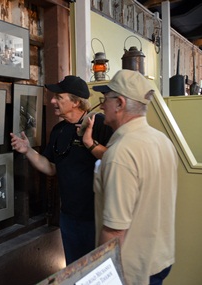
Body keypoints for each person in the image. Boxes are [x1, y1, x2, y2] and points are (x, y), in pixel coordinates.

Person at [10, 75, 113, 265]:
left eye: (59, 97)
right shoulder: (58, 130)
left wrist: (89, 143)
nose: (52, 101)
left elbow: (113, 160)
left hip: (97, 218)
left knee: (99, 270)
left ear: (75, 102)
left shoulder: (99, 124)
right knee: (75, 268)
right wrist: (28, 151)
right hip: (68, 217)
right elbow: (51, 168)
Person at [91, 69, 178, 285]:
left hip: (132, 269)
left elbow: (114, 230)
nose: (102, 106)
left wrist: (102, 274)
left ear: (119, 104)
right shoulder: (162, 141)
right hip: (160, 259)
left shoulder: (121, 153)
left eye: (105, 100)